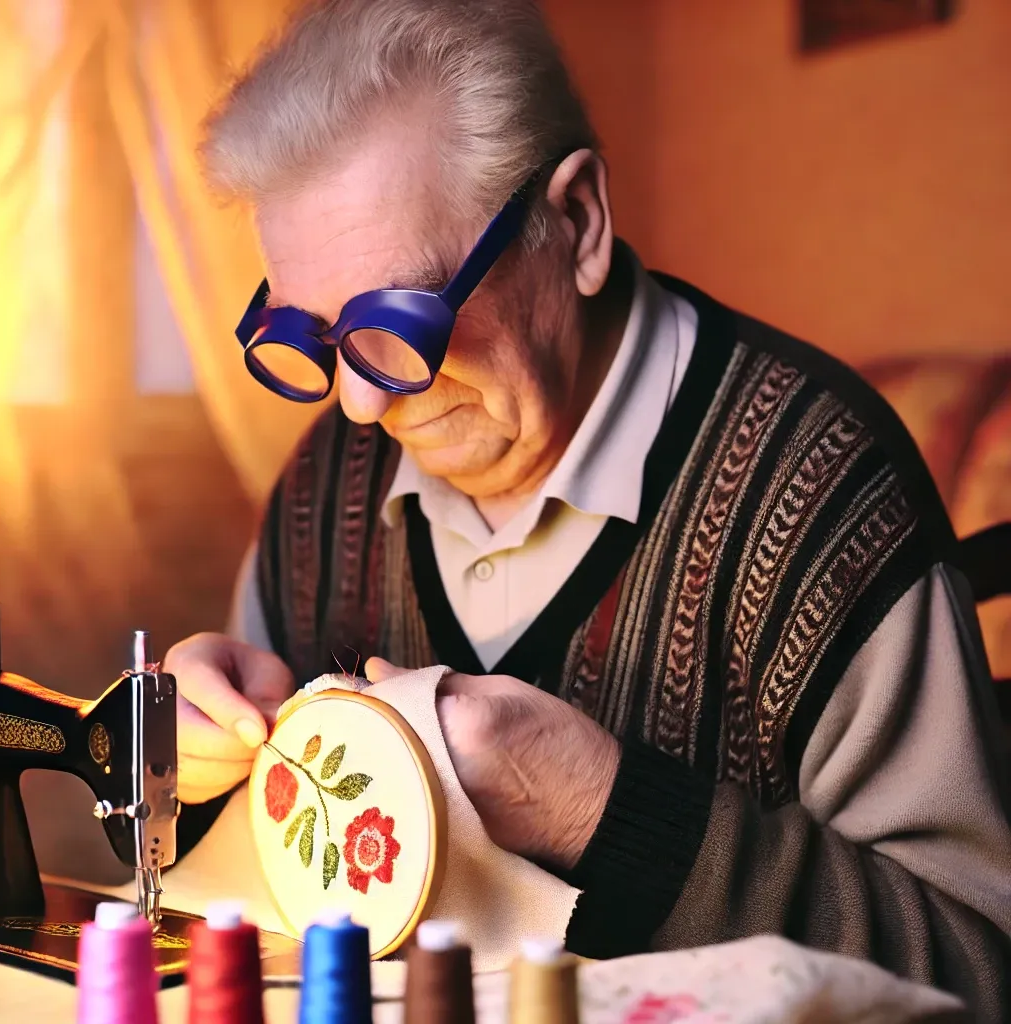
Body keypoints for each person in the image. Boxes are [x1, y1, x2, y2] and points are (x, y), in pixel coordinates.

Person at [167, 0, 1011, 1015]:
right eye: (306, 336)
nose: (361, 401)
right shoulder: (324, 486)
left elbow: (975, 964)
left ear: (575, 223)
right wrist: (202, 766)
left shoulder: (823, 492)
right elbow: (254, 910)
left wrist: (605, 811)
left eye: (401, 320)